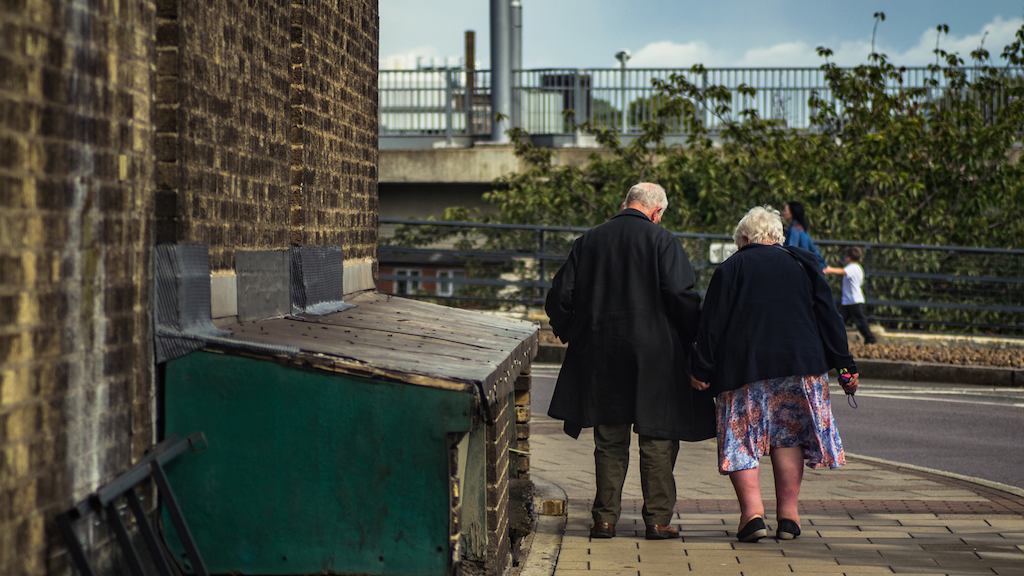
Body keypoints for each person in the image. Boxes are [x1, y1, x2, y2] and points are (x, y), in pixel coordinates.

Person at [545, 182, 715, 541]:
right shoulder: (662, 240)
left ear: (626, 203)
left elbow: (560, 296)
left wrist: (576, 332)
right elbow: (680, 294)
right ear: (656, 211)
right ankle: (657, 520)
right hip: (656, 355)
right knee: (657, 437)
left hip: (602, 353)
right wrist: (691, 338)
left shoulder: (589, 241)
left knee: (609, 438)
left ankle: (604, 519)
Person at [690, 205, 859, 543]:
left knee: (741, 439)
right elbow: (829, 318)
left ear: (743, 239)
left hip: (743, 368)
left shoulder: (731, 268)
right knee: (789, 438)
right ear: (778, 238)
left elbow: (711, 325)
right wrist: (845, 365)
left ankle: (752, 516)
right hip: (799, 367)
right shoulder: (804, 264)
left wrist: (702, 368)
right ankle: (789, 517)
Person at [824, 246, 877, 344]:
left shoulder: (853, 267)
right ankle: (834, 340)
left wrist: (828, 269)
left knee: (860, 322)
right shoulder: (858, 268)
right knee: (840, 321)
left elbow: (841, 272)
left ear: (849, 257)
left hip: (854, 301)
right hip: (849, 301)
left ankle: (870, 338)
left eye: (846, 256)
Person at [782, 201, 826, 270]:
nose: (783, 212)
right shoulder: (800, 227)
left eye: (785, 210)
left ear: (792, 213)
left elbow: (792, 250)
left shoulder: (794, 229)